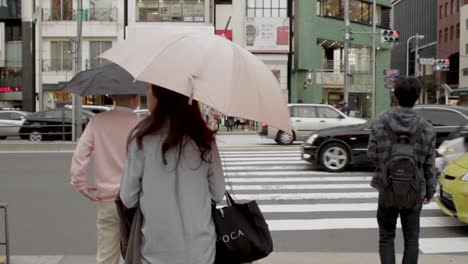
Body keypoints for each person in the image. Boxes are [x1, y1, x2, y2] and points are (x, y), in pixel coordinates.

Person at [120, 84, 226, 264]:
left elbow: (127, 198)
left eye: (150, 89)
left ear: (159, 97)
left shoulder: (142, 139)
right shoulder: (204, 140)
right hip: (201, 249)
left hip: (155, 249)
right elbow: (218, 193)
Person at [368, 76, 436, 264]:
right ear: (417, 96)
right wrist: (430, 190)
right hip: (414, 191)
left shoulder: (381, 122)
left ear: (395, 96)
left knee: (386, 237)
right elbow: (430, 164)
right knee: (411, 240)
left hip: (387, 188)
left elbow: (372, 154)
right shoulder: (427, 128)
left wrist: (387, 166)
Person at [70, 94, 141, 264]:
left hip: (107, 199)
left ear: (111, 97)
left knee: (107, 254)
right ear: (136, 98)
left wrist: (80, 184)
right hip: (136, 200)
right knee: (138, 252)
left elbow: (80, 155)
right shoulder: (141, 124)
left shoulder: (97, 122)